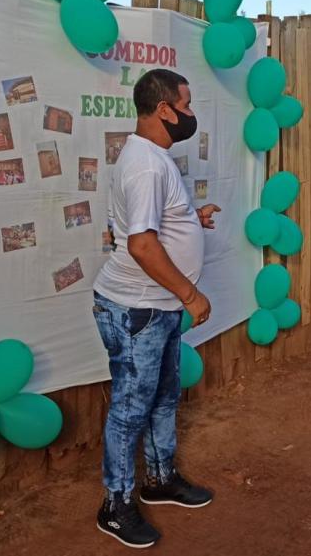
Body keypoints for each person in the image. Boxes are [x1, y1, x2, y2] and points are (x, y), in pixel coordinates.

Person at [92, 69, 221, 549]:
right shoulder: (146, 164)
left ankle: (160, 479)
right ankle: (115, 505)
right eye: (185, 106)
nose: (189, 114)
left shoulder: (155, 159)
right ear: (165, 109)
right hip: (136, 311)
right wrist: (191, 295)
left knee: (164, 396)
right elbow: (143, 245)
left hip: (156, 308)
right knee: (130, 408)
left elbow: (154, 225)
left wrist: (191, 218)